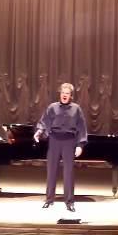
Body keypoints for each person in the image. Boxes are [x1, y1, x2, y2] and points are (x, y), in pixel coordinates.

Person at [34, 83, 87, 212]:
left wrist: (80, 145)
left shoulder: (76, 109)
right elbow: (44, 121)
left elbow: (82, 128)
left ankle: (69, 202)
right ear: (60, 94)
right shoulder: (52, 107)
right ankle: (49, 200)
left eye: (67, 93)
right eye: (63, 93)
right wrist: (39, 132)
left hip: (69, 141)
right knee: (51, 171)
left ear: (71, 96)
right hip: (54, 140)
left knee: (68, 173)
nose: (64, 95)